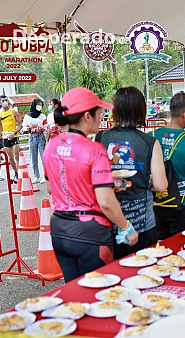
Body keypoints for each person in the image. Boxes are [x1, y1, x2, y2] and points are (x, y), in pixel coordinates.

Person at [43, 87, 138, 283]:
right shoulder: (95, 150)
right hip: (91, 233)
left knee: (74, 292)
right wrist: (126, 227)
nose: (102, 115)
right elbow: (106, 202)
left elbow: (51, 188)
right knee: (99, 293)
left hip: (59, 230)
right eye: (99, 112)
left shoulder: (52, 145)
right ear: (87, 115)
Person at [96, 87, 168, 259]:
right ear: (141, 110)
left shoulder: (100, 138)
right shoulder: (150, 142)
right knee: (145, 275)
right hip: (142, 223)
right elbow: (160, 185)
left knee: (113, 278)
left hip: (109, 222)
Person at [151, 93, 185, 240]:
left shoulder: (151, 136)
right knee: (184, 248)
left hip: (156, 204)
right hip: (183, 206)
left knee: (161, 249)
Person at [0, 95, 22, 183]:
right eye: (3, 100)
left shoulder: (14, 112)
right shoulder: (0, 114)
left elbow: (20, 125)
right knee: (10, 157)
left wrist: (14, 133)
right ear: (0, 102)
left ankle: (19, 172)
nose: (5, 102)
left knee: (16, 155)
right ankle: (16, 173)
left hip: (14, 136)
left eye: (6, 100)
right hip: (5, 137)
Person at [22, 98, 47, 184]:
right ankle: (36, 176)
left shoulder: (43, 116)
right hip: (32, 136)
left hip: (40, 137)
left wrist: (42, 130)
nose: (39, 106)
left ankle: (45, 176)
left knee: (43, 157)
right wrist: (30, 128)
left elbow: (46, 127)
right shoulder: (27, 116)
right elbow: (24, 127)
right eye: (38, 104)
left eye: (41, 105)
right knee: (33, 157)